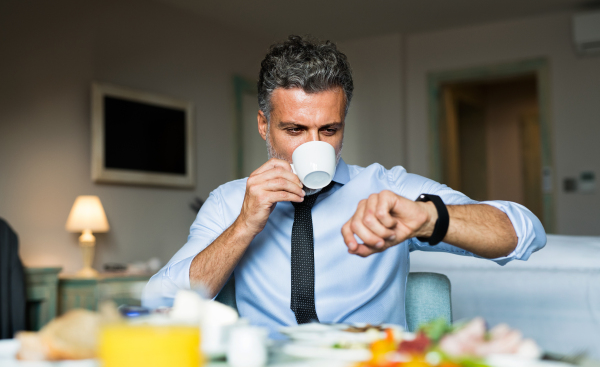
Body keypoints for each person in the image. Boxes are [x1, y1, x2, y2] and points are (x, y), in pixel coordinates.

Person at [143, 35, 546, 333]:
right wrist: (244, 226)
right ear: (264, 125)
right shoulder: (231, 201)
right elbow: (157, 303)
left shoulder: (388, 189)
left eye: (329, 129)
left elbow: (526, 232)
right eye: (295, 129)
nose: (315, 145)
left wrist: (427, 217)